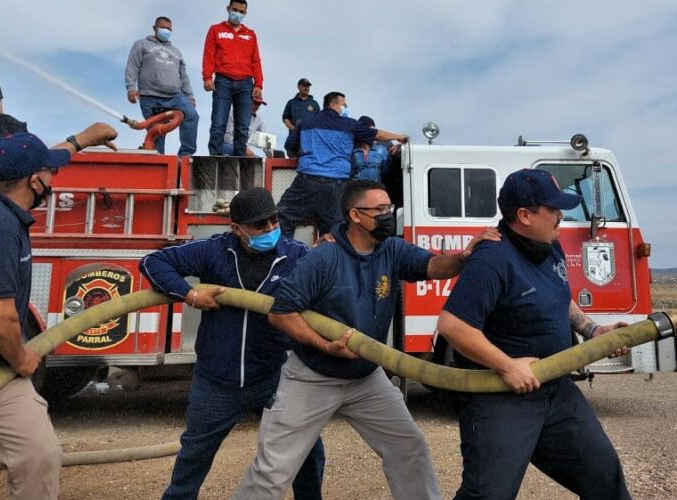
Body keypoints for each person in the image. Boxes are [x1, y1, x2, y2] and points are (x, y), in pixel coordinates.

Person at [232, 180, 500, 500]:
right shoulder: (323, 257)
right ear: (356, 215)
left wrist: (465, 257)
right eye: (382, 209)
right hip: (313, 377)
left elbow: (432, 266)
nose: (389, 215)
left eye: (390, 208)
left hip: (366, 377)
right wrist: (324, 344)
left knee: (408, 448)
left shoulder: (391, 249)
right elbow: (281, 312)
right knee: (273, 470)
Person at [436, 169, 632, 500]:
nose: (561, 215)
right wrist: (507, 366)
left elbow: (558, 297)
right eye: (553, 209)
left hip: (556, 391)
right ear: (524, 215)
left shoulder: (548, 247)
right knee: (488, 495)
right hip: (501, 398)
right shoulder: (492, 259)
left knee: (604, 478)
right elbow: (452, 325)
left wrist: (593, 330)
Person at [139, 187, 325, 500]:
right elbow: (153, 262)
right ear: (236, 229)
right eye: (259, 225)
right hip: (217, 379)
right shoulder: (214, 251)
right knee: (194, 456)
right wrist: (190, 294)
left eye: (273, 221)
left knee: (307, 451)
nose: (269, 230)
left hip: (275, 375)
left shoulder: (296, 256)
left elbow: (327, 290)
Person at [0, 123, 117, 499]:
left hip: (5, 366)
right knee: (37, 456)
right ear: (35, 182)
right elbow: (2, 318)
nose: (54, 177)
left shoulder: (10, 209)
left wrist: (84, 139)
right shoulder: (2, 226)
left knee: (39, 455)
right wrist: (22, 359)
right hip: (7, 361)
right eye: (49, 173)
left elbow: (46, 157)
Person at [277, 92, 408, 239]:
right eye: (344, 105)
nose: (345, 108)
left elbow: (290, 146)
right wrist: (399, 137)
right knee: (336, 231)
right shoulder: (349, 124)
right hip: (336, 186)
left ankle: (284, 255)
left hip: (307, 182)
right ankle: (333, 258)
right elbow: (376, 134)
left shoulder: (305, 123)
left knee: (282, 218)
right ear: (333, 104)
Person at [125, 16, 199, 156]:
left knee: (192, 116)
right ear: (155, 28)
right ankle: (159, 163)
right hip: (150, 97)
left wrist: (189, 96)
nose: (166, 31)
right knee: (157, 134)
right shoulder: (141, 44)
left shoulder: (176, 51)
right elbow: (132, 66)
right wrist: (131, 88)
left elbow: (183, 76)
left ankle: (185, 155)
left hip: (175, 97)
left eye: (169, 29)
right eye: (163, 28)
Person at [203, 0, 264, 156]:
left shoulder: (250, 34)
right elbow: (208, 54)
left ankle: (240, 160)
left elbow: (256, 60)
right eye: (235, 9)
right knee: (218, 123)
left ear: (245, 13)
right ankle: (214, 158)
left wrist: (258, 84)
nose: (237, 13)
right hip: (223, 81)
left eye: (241, 11)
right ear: (228, 9)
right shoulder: (216, 30)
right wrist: (207, 77)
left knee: (243, 126)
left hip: (245, 84)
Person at [350, 115, 400, 182]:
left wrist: (399, 146)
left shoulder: (384, 144)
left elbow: (388, 168)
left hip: (376, 185)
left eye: (372, 130)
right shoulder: (351, 148)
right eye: (368, 131)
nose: (371, 134)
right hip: (357, 187)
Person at [282, 78, 319, 158]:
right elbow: (285, 118)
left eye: (308, 86)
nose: (306, 88)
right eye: (304, 86)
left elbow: (319, 121)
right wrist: (294, 129)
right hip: (294, 139)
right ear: (298, 87)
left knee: (308, 160)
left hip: (310, 140)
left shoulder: (314, 104)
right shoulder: (291, 102)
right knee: (293, 161)